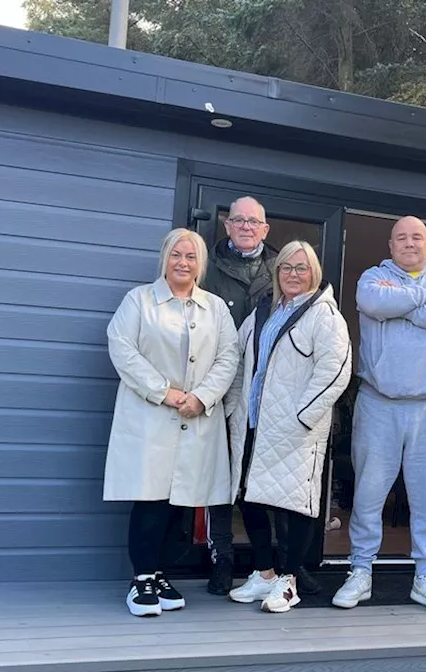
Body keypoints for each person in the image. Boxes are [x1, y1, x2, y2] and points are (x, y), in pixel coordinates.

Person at [331, 215, 426, 615]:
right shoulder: (373, 278)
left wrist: (406, 302)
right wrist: (424, 301)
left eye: (417, 238)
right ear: (390, 246)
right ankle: (360, 571)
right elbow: (374, 303)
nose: (409, 244)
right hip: (379, 404)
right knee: (370, 493)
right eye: (401, 238)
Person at [102, 227, 240, 618]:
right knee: (150, 501)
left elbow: (229, 357)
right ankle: (142, 578)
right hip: (151, 417)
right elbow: (122, 348)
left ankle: (160, 573)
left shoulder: (214, 308)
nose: (183, 263)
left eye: (191, 256)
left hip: (196, 418)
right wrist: (164, 391)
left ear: (201, 264)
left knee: (181, 504)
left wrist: (201, 397)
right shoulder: (140, 301)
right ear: (165, 258)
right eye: (177, 255)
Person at [200, 196, 323, 597]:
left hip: (279, 409)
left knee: (279, 491)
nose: (246, 227)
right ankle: (227, 562)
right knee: (229, 485)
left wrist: (301, 414)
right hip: (225, 392)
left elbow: (329, 365)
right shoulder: (208, 268)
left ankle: (285, 569)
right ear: (227, 224)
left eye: (254, 222)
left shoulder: (287, 280)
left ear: (265, 229)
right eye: (238, 220)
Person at [223, 240, 352, 613]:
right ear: (277, 272)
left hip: (296, 430)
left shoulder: (324, 317)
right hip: (254, 424)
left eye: (301, 268)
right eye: (286, 268)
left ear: (314, 272)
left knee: (295, 507)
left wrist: (303, 417)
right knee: (251, 499)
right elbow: (239, 357)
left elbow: (336, 370)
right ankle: (264, 573)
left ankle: (289, 580)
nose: (293, 274)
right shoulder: (264, 311)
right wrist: (234, 406)